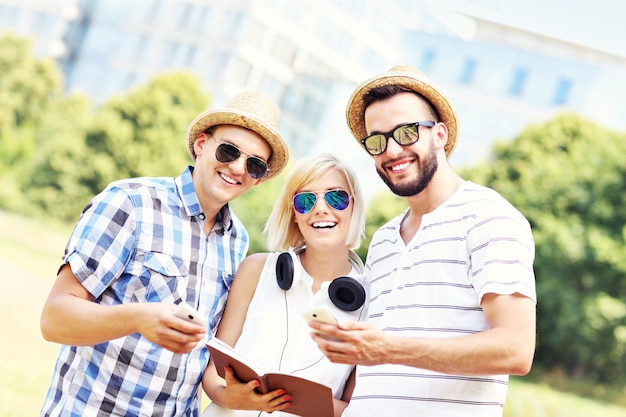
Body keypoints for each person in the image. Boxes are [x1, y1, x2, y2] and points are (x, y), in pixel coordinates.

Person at [39, 91, 290, 417]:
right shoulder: (129, 202)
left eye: (254, 165)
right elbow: (54, 319)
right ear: (201, 144)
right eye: (229, 150)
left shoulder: (236, 240)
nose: (238, 167)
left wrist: (241, 394)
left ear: (258, 180)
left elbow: (204, 361)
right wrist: (139, 319)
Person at [308, 65, 537, 416]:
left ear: (440, 134)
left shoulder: (489, 217)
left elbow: (516, 349)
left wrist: (389, 350)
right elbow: (376, 376)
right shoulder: (383, 239)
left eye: (406, 131)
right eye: (377, 140)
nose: (392, 150)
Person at [201, 153, 367, 417]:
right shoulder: (255, 270)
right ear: (294, 214)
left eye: (336, 197)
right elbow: (213, 374)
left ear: (353, 206)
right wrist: (230, 397)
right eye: (306, 200)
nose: (321, 208)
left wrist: (289, 400)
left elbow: (356, 407)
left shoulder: (373, 305)